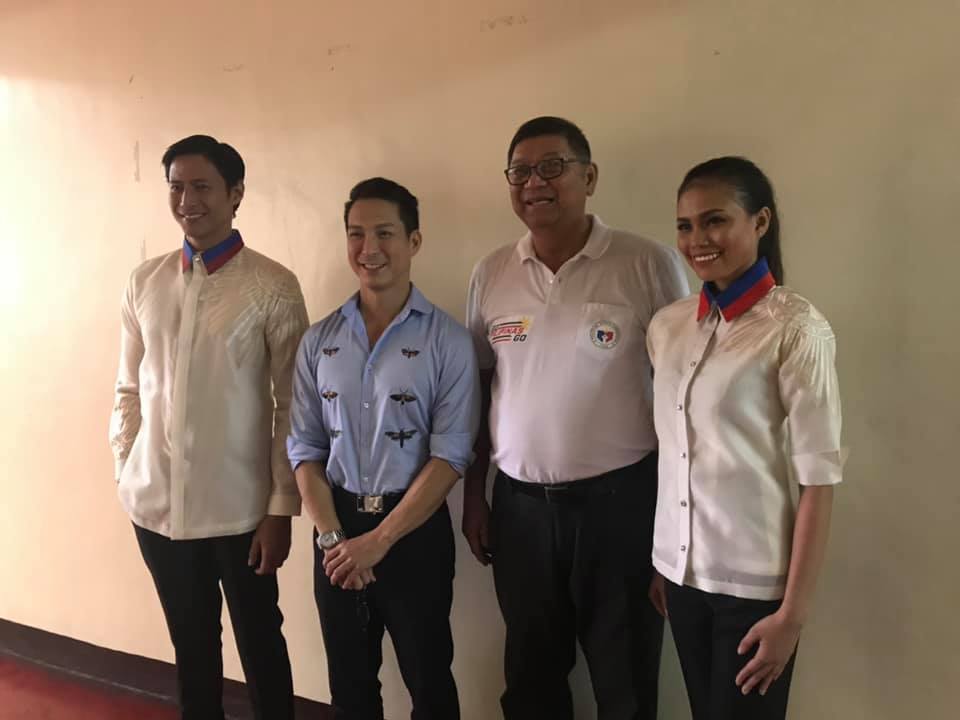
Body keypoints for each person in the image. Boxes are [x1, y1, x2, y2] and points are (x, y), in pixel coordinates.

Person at [463, 116, 689, 720]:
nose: (534, 182)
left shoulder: (648, 264)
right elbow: (482, 387)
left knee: (626, 680)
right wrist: (475, 496)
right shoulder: (491, 273)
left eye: (552, 167)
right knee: (531, 679)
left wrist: (672, 525)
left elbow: (683, 397)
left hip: (621, 509)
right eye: (520, 171)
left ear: (589, 177)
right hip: (520, 512)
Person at [109, 134, 308, 719]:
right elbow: (127, 388)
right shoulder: (145, 281)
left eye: (201, 186)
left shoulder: (272, 285)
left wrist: (280, 507)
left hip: (241, 514)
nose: (186, 200)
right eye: (176, 186)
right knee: (192, 649)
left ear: (235, 193)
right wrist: (128, 470)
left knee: (260, 646)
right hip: (158, 511)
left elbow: (291, 405)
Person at [647, 156, 845, 720]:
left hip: (755, 592)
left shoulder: (796, 329)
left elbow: (818, 482)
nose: (697, 239)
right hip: (680, 578)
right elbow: (676, 452)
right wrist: (668, 563)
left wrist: (792, 617)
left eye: (715, 221)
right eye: (685, 225)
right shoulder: (667, 326)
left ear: (760, 222)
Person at [288, 177, 480, 720]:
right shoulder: (319, 339)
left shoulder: (448, 340)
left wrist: (380, 540)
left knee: (430, 681)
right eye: (356, 234)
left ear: (414, 241)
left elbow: (452, 455)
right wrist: (334, 539)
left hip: (413, 532)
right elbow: (304, 447)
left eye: (384, 233)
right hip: (336, 529)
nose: (368, 249)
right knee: (349, 687)